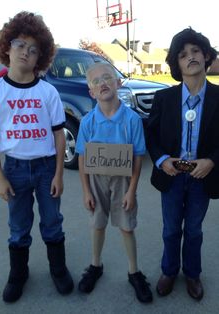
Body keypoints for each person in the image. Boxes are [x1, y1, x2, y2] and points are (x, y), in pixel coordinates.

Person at [0, 11, 74, 302]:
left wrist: (59, 173)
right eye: (21, 45)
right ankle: (18, 274)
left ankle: (58, 270)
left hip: (47, 168)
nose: (26, 52)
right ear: (7, 48)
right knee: (18, 226)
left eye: (34, 49)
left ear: (41, 57)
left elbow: (60, 135)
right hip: (15, 170)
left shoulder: (48, 93)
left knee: (52, 221)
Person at [145, 27, 219, 301]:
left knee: (195, 229)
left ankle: (192, 273)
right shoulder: (164, 98)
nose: (191, 57)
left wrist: (211, 161)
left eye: (196, 51)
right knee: (171, 227)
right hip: (172, 175)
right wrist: (162, 160)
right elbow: (150, 134)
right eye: (183, 54)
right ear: (176, 64)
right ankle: (169, 270)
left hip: (202, 176)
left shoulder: (218, 97)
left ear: (206, 56)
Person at [75, 63, 153, 303]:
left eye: (107, 77)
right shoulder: (88, 122)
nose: (103, 83)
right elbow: (82, 157)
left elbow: (138, 157)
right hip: (97, 179)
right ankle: (95, 265)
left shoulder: (132, 120)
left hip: (123, 179)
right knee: (97, 223)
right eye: (96, 81)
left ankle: (134, 271)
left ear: (118, 83)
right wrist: (86, 190)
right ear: (91, 92)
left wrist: (132, 190)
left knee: (126, 226)